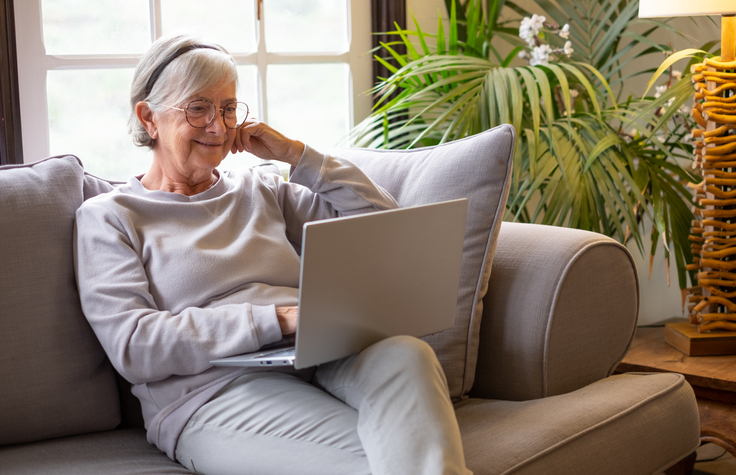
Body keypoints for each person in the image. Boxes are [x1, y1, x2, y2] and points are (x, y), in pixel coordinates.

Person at [74, 34, 471, 475]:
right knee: (383, 464)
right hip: (212, 392)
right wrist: (277, 319)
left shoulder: (261, 188)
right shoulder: (109, 217)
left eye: (228, 108)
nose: (219, 127)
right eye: (198, 107)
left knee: (408, 354)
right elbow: (134, 346)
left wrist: (298, 156)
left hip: (319, 356)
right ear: (149, 118)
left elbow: (386, 228)